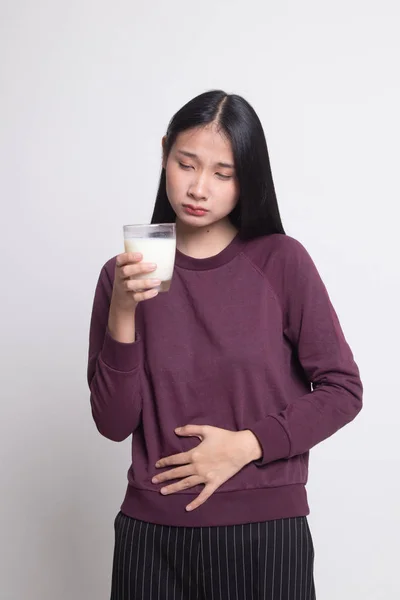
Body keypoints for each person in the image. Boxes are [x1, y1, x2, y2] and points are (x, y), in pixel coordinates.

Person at [87, 90, 363, 600]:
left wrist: (247, 445)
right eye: (185, 164)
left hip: (265, 534)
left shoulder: (281, 261)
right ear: (164, 152)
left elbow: (343, 390)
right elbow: (112, 424)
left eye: (223, 173)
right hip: (151, 538)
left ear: (248, 178)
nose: (198, 187)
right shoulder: (122, 276)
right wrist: (123, 312)